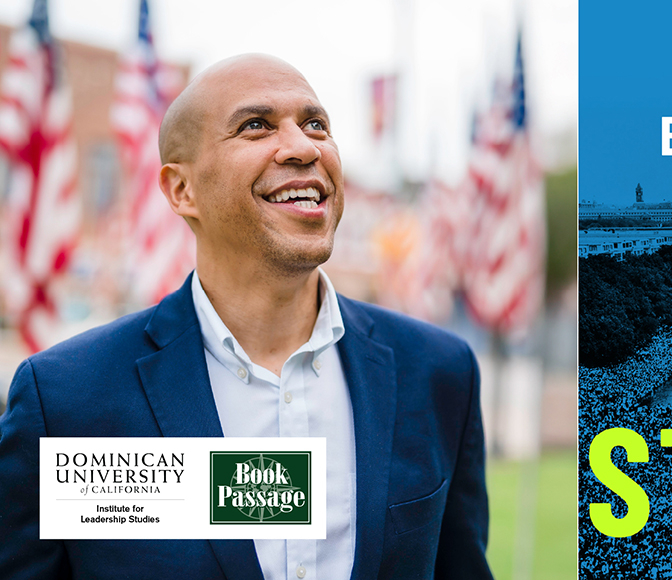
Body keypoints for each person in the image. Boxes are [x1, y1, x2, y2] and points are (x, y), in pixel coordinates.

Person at [0, 54, 493, 580]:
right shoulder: (67, 402)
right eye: (255, 126)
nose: (304, 147)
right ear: (181, 190)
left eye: (315, 124)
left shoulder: (439, 373)